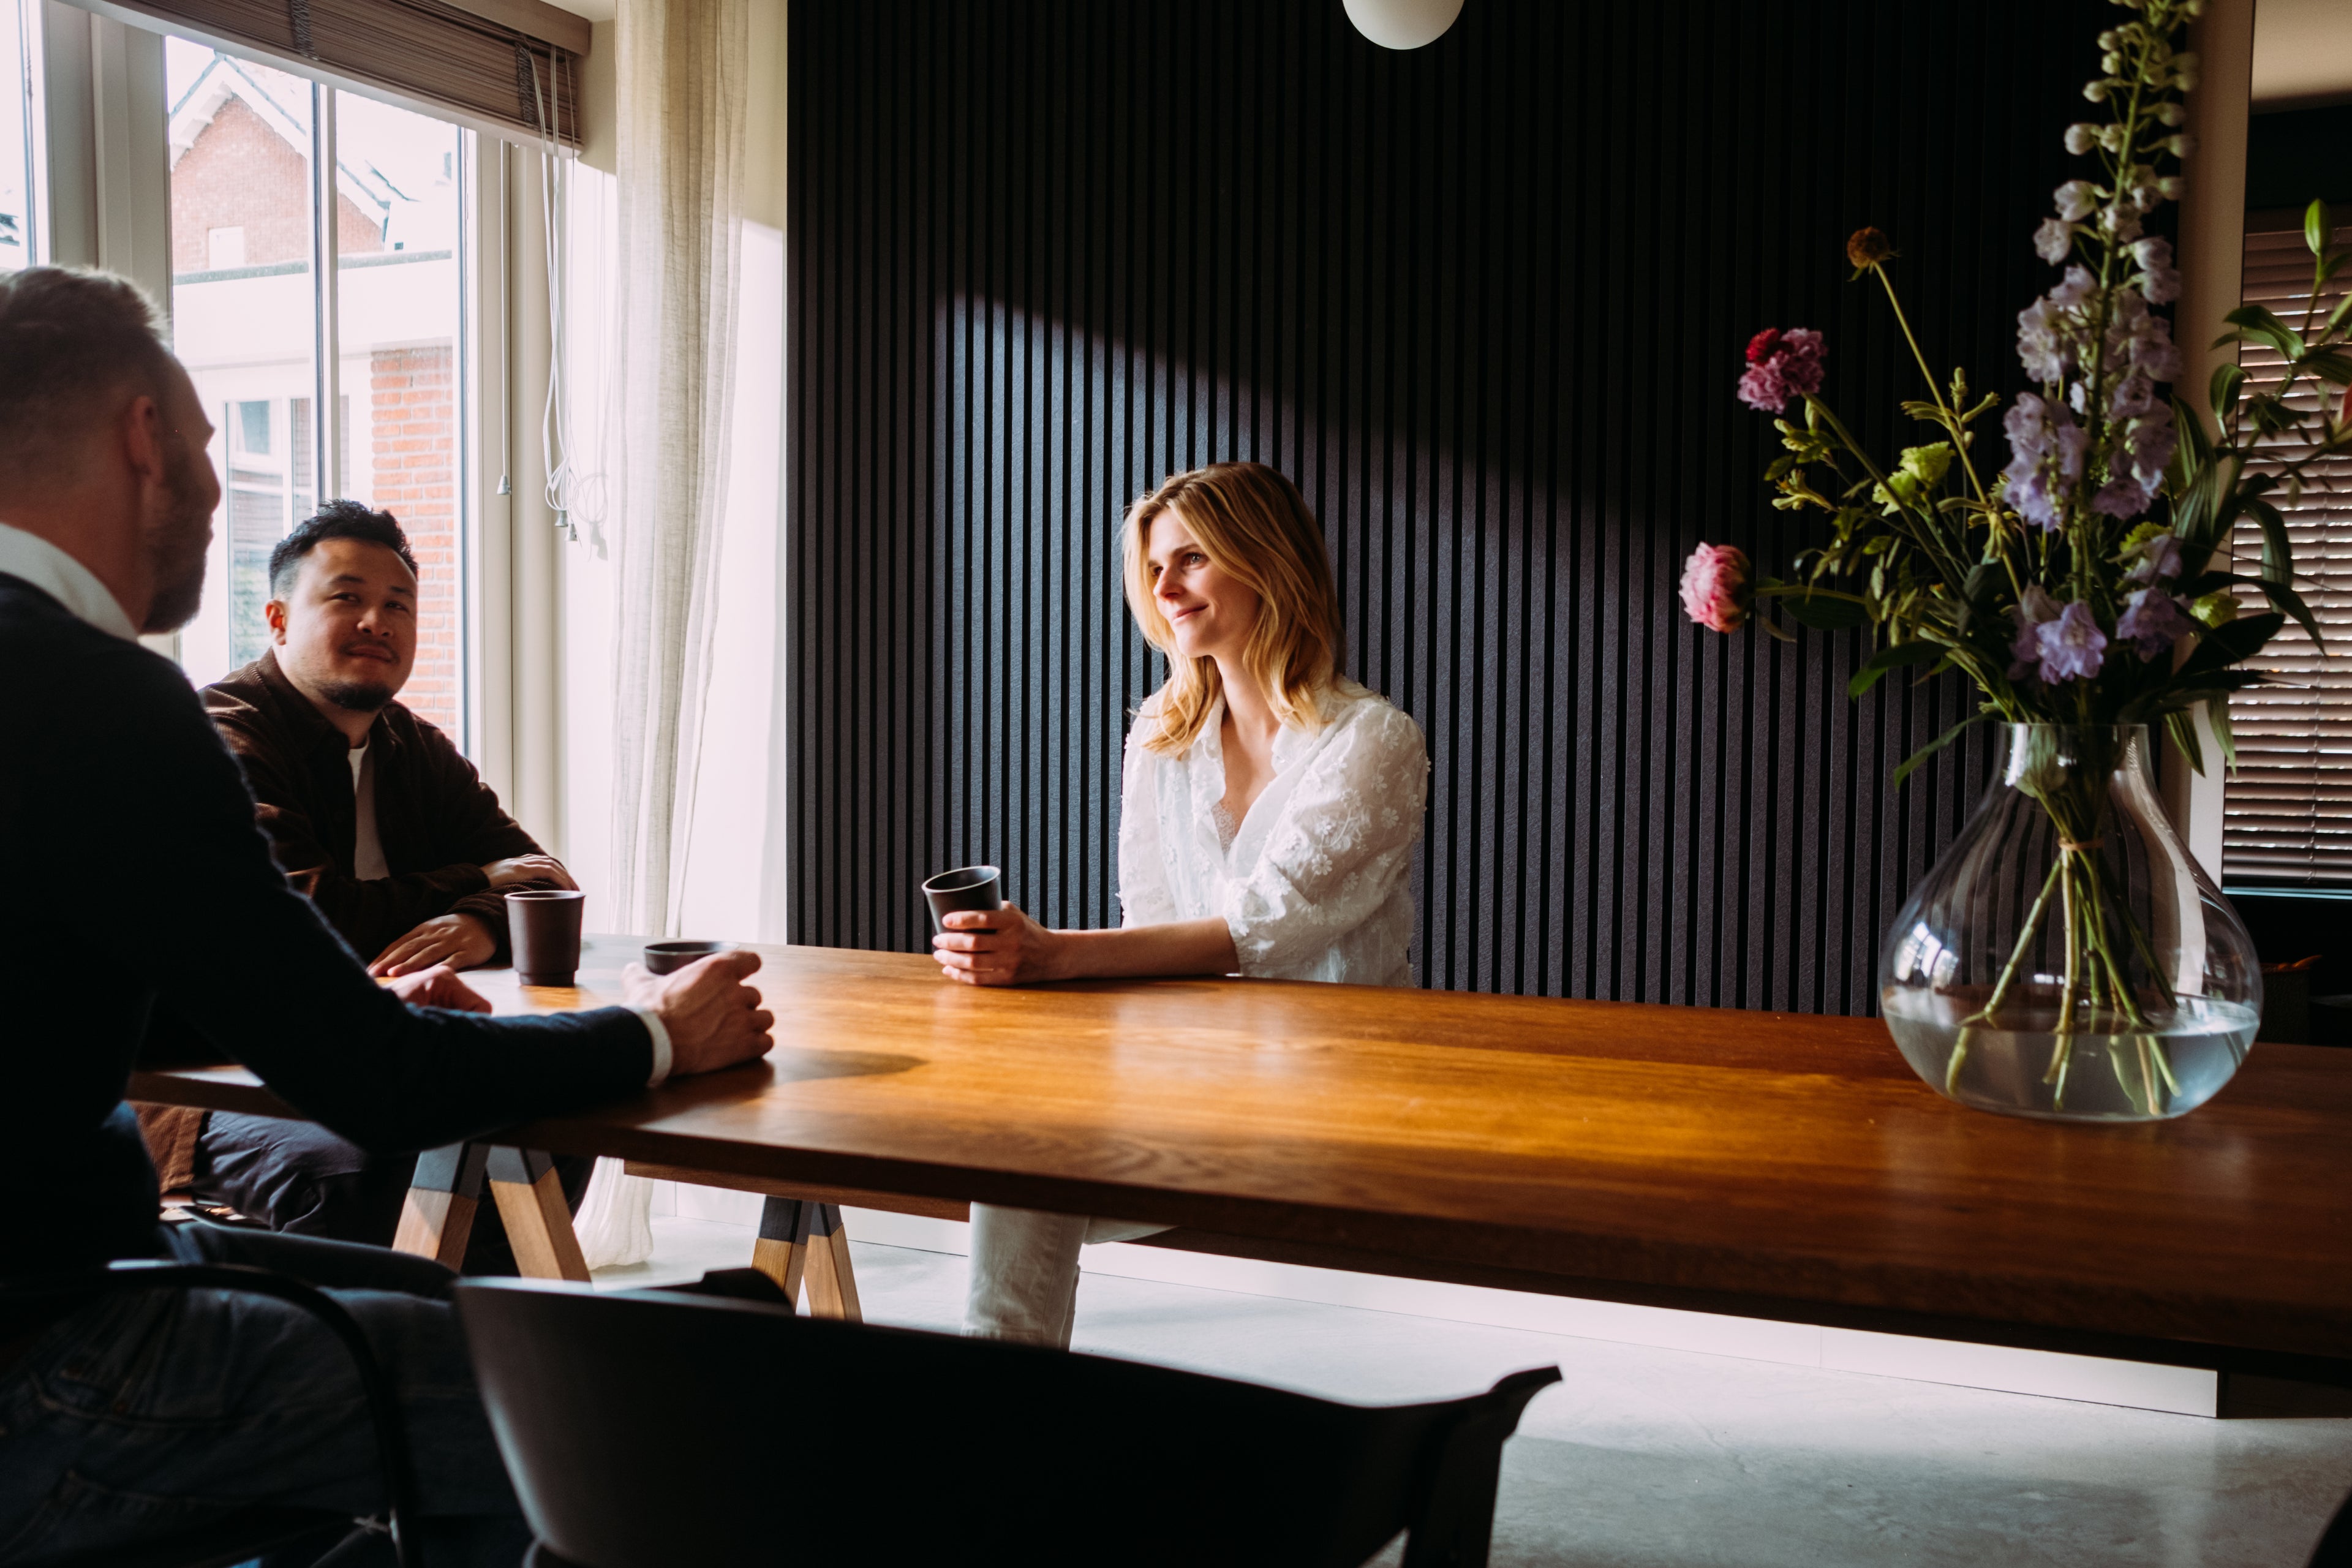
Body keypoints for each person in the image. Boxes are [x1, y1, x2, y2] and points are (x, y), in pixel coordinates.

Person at [0, 265, 774, 1565]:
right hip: (49, 1354)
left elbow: (94, 973)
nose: (208, 491)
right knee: (622, 1405)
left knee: (446, 1297)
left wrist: (335, 993)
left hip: (77, 1277)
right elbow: (379, 1080)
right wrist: (655, 1039)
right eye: (204, 445)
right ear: (146, 437)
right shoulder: (103, 696)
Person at [930, 461, 1429, 1348]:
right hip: (1198, 1069)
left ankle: (989, 1404)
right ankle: (993, 1412)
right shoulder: (1163, 732)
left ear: (1268, 563)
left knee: (1028, 1171)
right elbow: (1149, 921)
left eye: (1192, 560)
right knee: (1016, 1144)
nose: (1164, 589)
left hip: (1339, 1084)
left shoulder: (1373, 739)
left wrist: (1049, 954)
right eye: (1156, 568)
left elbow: (1262, 928)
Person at [155, 502, 589, 1267]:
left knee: (554, 1124)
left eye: (398, 605)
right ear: (280, 618)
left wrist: (484, 919)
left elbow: (545, 879)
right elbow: (315, 916)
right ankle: (387, 1363)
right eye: (346, 597)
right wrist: (476, 878)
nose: (376, 622)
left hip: (371, 1043)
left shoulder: (410, 745)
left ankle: (478, 1361)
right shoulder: (222, 735)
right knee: (372, 1167)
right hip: (217, 1078)